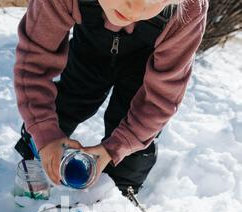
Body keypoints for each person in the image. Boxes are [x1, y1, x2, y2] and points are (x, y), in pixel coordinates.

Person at [14, 0, 208, 195]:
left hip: (145, 67)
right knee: (68, 102)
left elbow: (160, 100)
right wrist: (45, 133)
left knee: (133, 148)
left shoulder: (189, 8)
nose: (134, 9)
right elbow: (33, 64)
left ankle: (117, 195)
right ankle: (35, 155)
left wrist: (115, 148)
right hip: (89, 53)